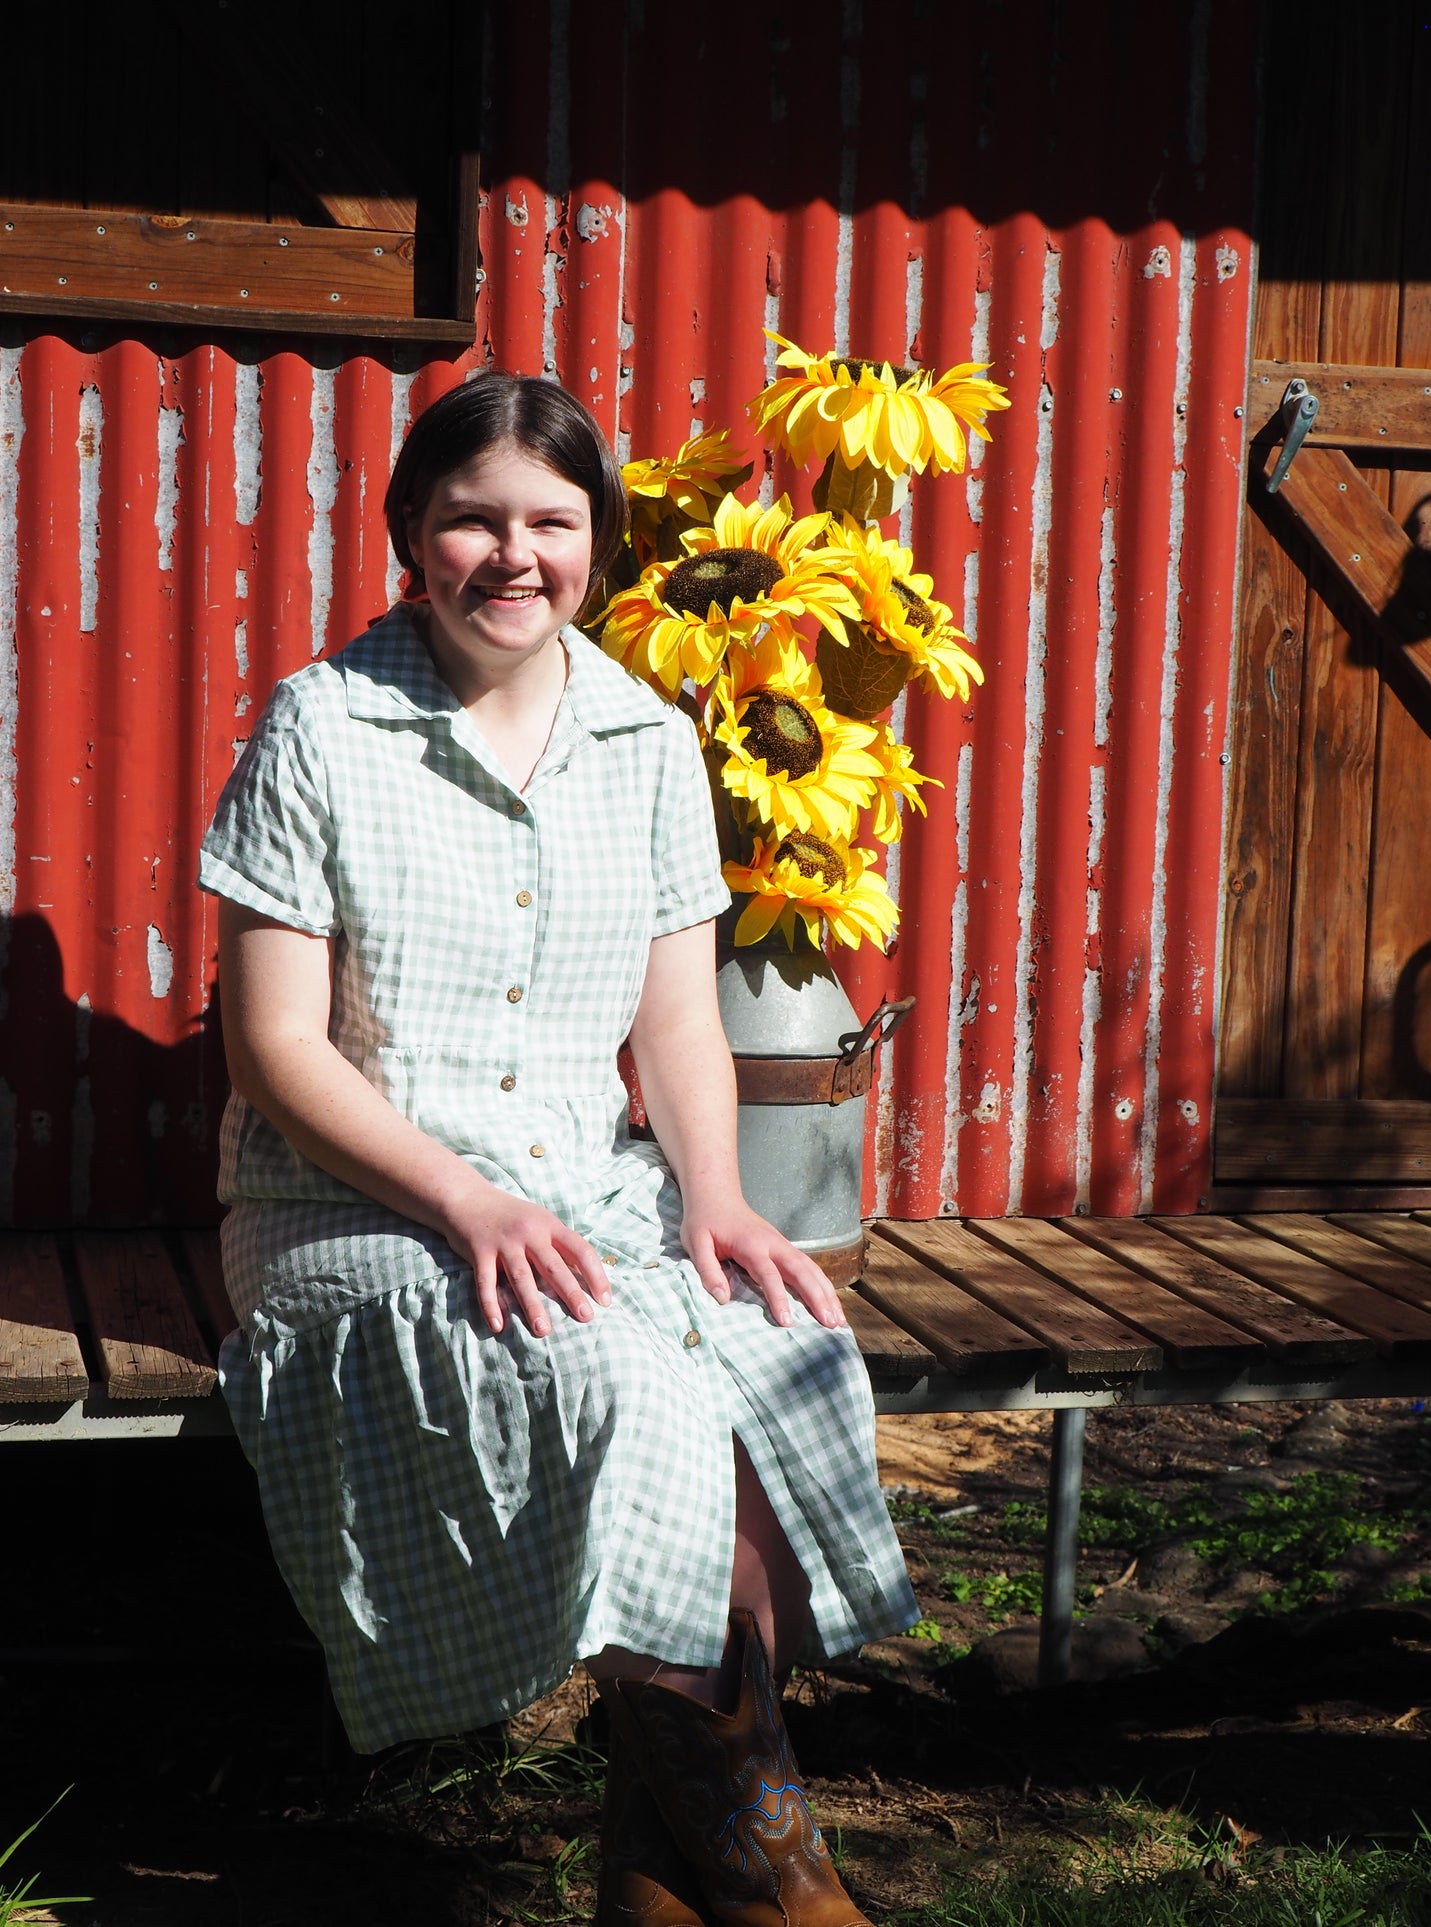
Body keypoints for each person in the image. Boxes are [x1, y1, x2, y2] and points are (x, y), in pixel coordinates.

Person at [200, 372, 918, 1927]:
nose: (512, 555)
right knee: (609, 1378)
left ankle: (665, 1898)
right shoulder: (323, 727)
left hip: (582, 1191)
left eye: (550, 520)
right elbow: (273, 1047)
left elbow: (674, 1027)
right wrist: (461, 1199)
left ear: (596, 541)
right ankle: (787, 1898)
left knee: (765, 1352)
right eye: (472, 520)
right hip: (354, 1203)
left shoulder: (648, 736)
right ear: (409, 535)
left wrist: (717, 1202)